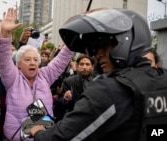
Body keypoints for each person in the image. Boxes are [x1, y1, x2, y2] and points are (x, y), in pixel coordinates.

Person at [30, 8, 167, 141]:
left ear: (127, 40)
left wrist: (39, 132)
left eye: (104, 45)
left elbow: (62, 137)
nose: (97, 54)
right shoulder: (161, 80)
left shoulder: (109, 90)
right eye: (94, 48)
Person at [0, 8, 74, 141]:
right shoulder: (13, 78)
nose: (32, 63)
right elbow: (3, 58)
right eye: (27, 60)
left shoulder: (45, 75)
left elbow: (62, 60)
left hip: (42, 137)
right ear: (18, 64)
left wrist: (73, 40)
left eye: (35, 60)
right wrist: (5, 34)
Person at [53, 54, 96, 122]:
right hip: (72, 120)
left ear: (92, 67)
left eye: (87, 64)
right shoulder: (69, 82)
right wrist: (65, 99)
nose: (84, 67)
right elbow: (59, 104)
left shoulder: (98, 82)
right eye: (81, 64)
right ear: (77, 66)